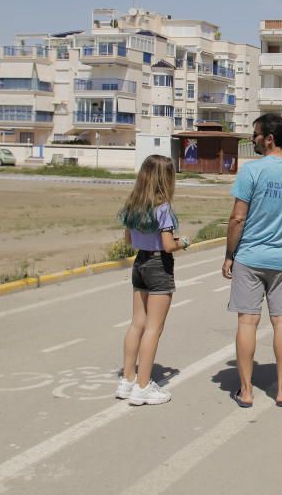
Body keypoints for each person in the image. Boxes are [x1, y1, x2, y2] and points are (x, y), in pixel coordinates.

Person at [222, 113, 282, 408]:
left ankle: (246, 391)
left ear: (269, 138)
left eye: (256, 134)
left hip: (250, 258)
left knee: (247, 322)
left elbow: (238, 217)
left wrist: (229, 255)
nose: (253, 138)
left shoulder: (252, 172)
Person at [115, 154, 190, 406]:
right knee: (153, 328)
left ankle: (127, 379)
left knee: (137, 323)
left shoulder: (132, 205)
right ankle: (144, 386)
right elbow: (169, 245)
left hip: (140, 262)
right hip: (159, 264)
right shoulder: (163, 208)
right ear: (165, 179)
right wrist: (185, 242)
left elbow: (128, 240)